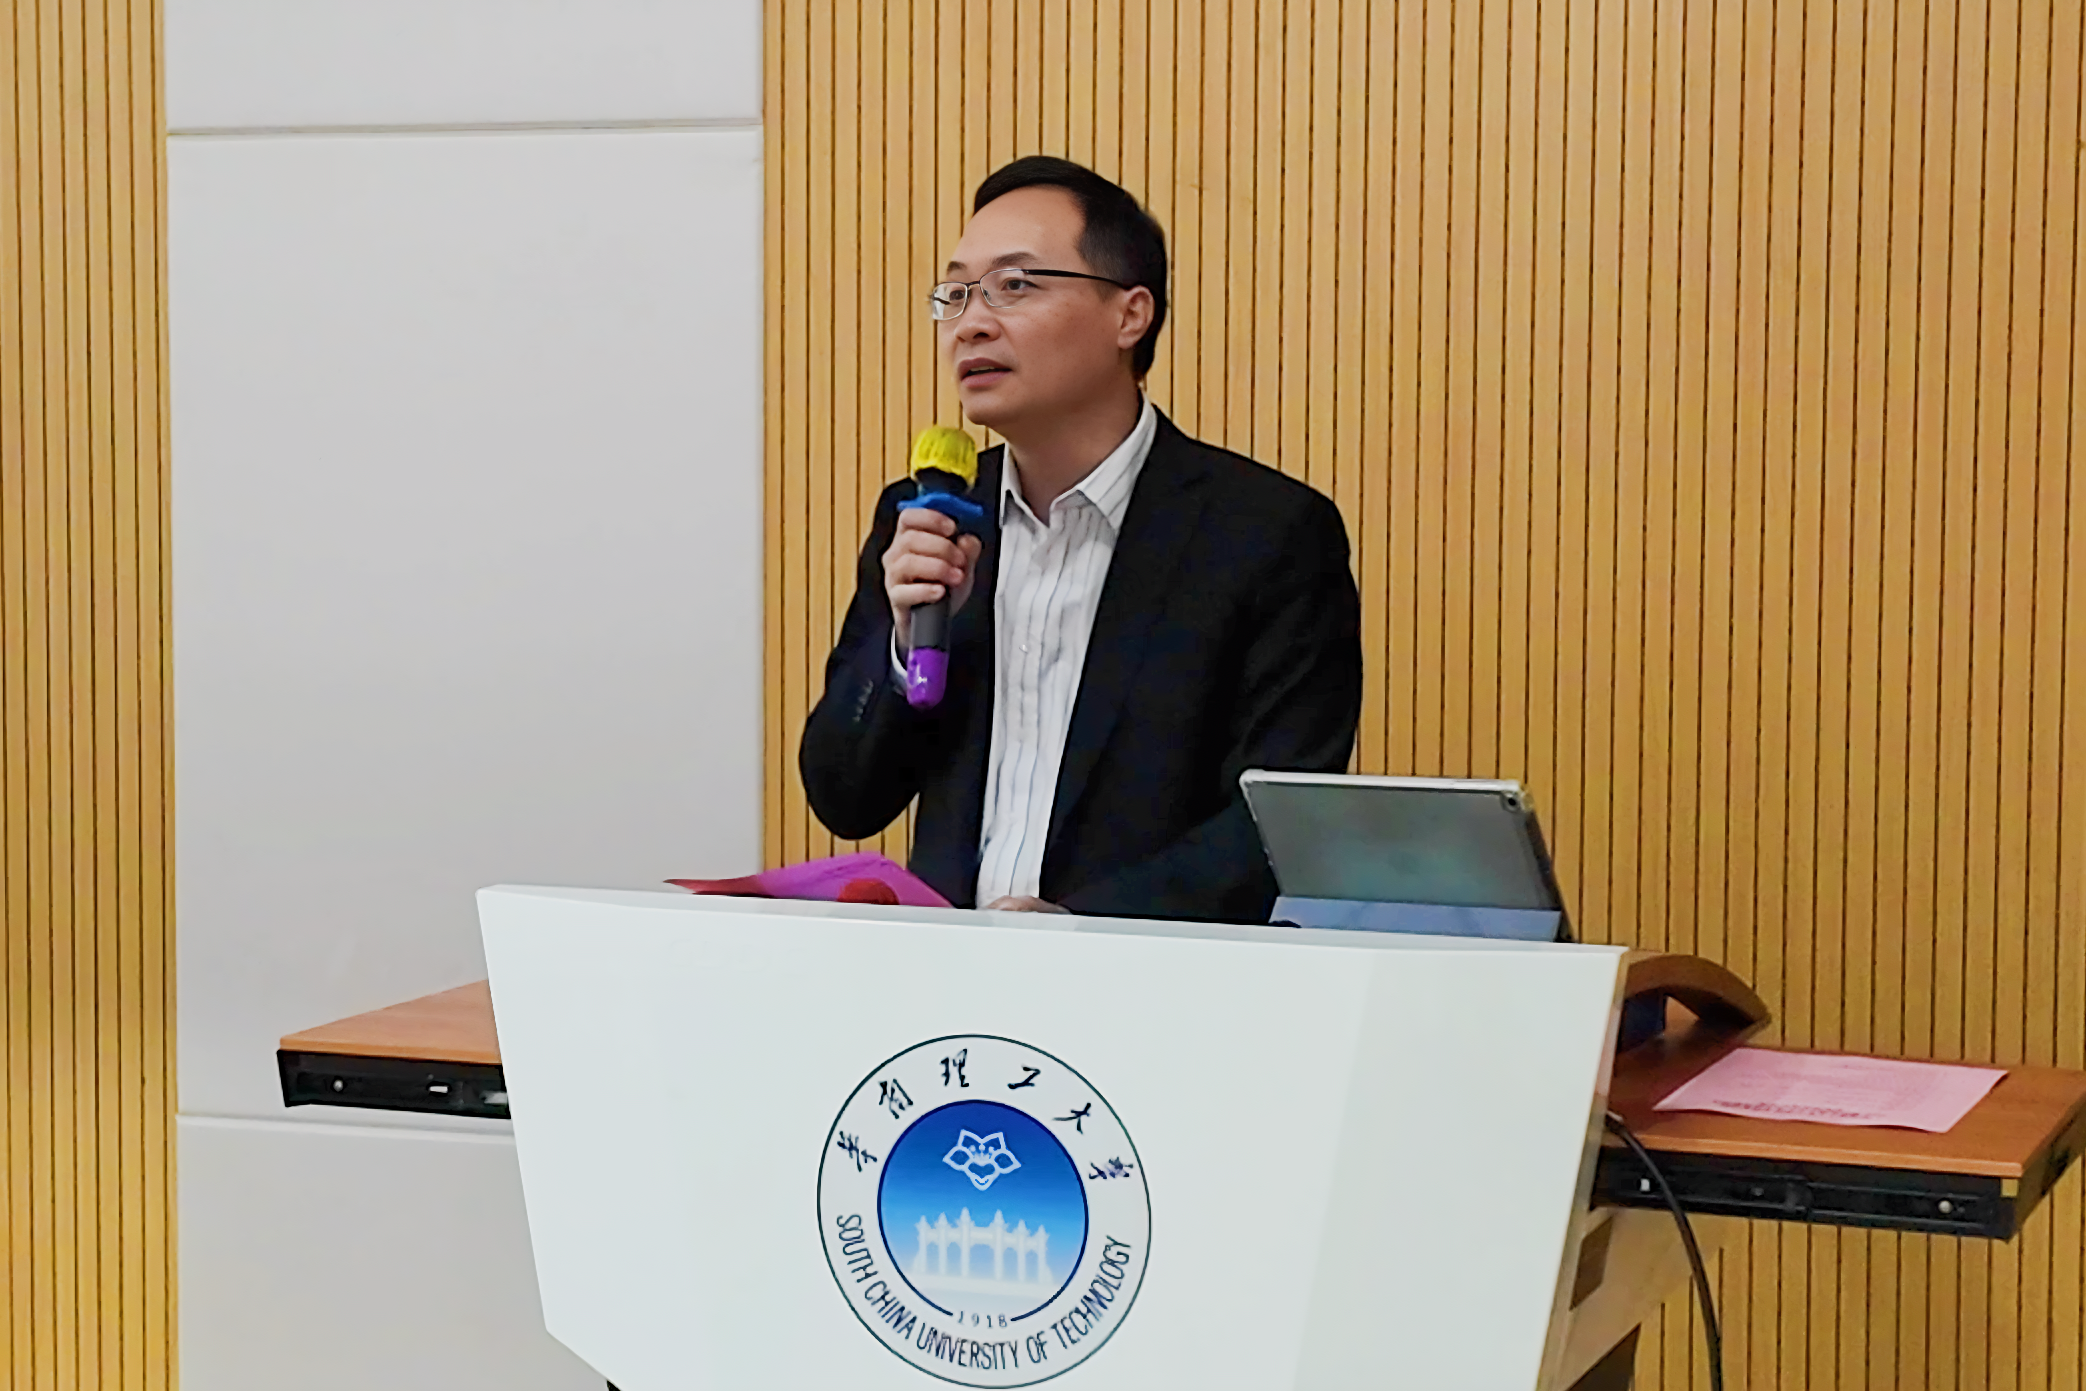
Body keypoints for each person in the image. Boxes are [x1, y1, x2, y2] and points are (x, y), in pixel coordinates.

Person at [799, 156, 1361, 922]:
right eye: (956, 293)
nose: (971, 323)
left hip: (1153, 971)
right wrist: (901, 649)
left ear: (1131, 315)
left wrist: (1081, 926)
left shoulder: (1267, 534)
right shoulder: (929, 515)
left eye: (1014, 285)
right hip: (950, 977)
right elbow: (844, 796)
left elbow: (1271, 824)